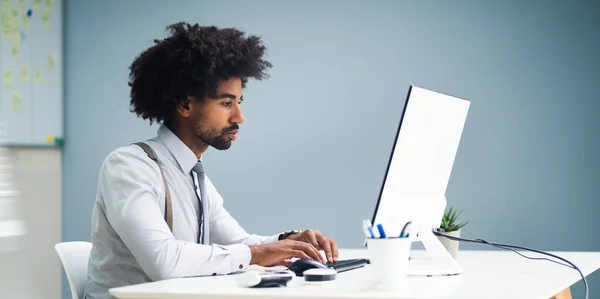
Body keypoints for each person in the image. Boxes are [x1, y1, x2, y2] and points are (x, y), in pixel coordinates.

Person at [83, 22, 338, 299]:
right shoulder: (129, 166)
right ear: (185, 104)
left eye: (240, 102)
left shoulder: (194, 175)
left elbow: (239, 244)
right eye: (227, 103)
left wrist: (288, 241)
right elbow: (164, 260)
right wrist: (260, 253)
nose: (239, 117)